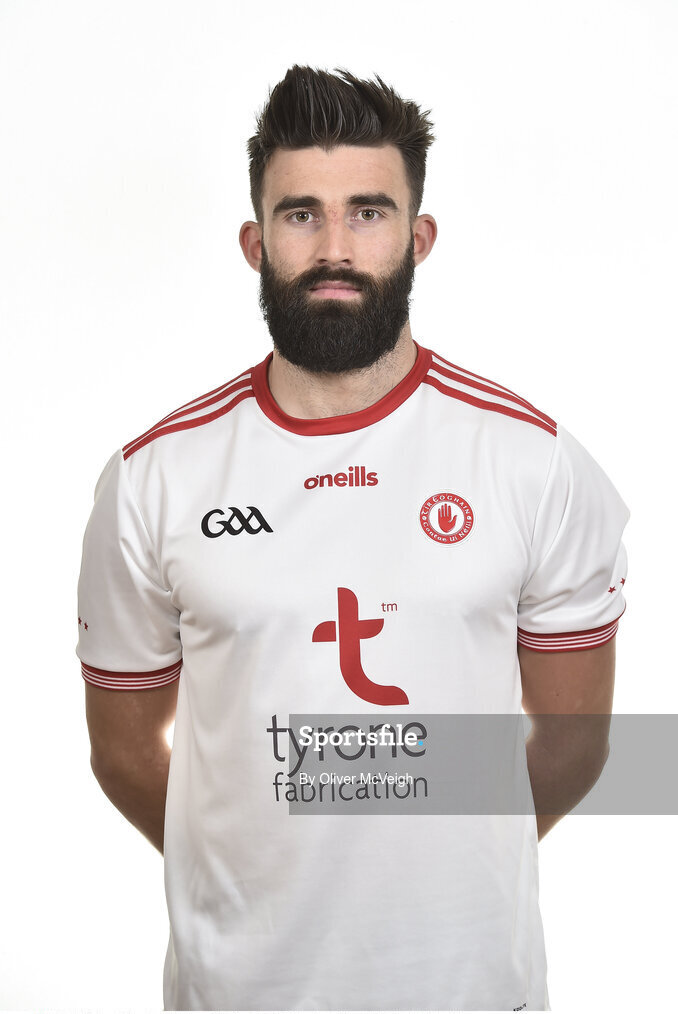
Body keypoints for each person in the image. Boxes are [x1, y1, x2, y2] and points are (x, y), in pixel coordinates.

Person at [77, 65, 629, 1012]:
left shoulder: (532, 462)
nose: (334, 247)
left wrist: (445, 850)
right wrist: (254, 861)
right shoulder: (154, 478)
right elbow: (123, 753)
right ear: (255, 242)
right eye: (301, 215)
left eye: (368, 213)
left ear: (419, 238)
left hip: (473, 990)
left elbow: (574, 744)